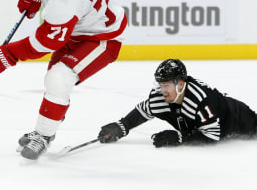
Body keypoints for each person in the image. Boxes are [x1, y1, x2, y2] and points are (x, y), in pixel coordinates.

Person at [0, 0, 128, 160]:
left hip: (103, 37)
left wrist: (7, 54)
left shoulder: (66, 3)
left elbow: (43, 44)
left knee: (58, 79)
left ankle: (44, 135)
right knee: (54, 84)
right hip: (78, 29)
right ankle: (45, 127)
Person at [98, 59, 257, 148]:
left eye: (166, 85)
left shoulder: (201, 102)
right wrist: (122, 126)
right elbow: (143, 110)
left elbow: (212, 137)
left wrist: (180, 137)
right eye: (160, 85)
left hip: (236, 116)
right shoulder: (161, 97)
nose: (162, 91)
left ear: (180, 84)